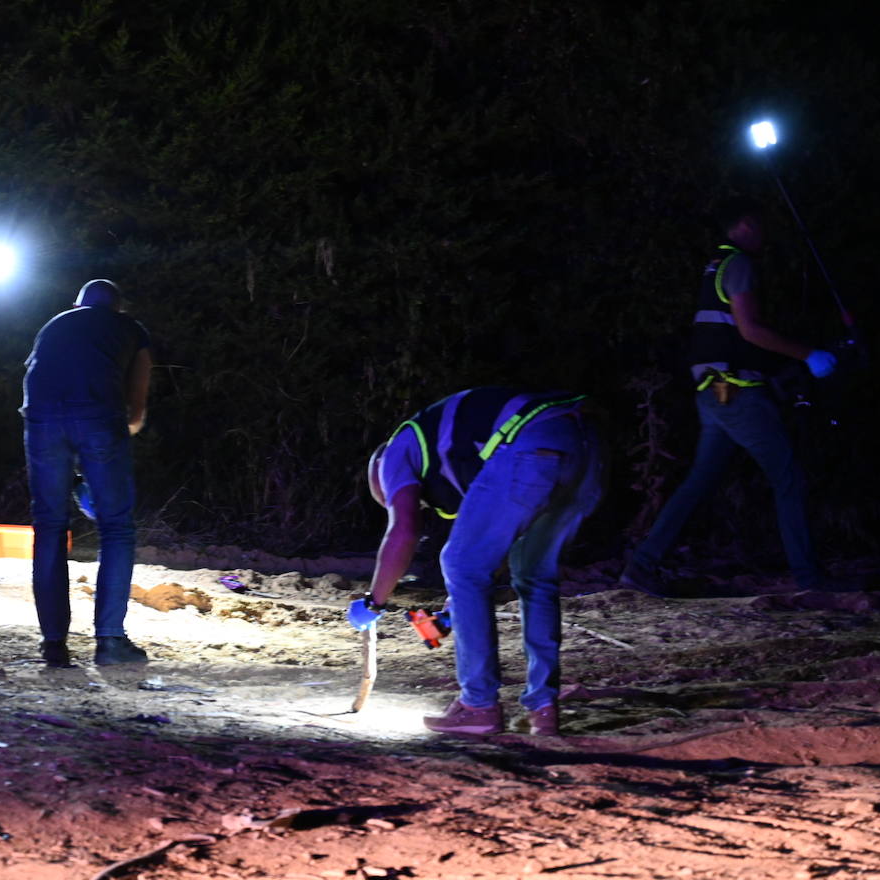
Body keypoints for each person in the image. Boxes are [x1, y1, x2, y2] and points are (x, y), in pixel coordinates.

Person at [620, 198, 844, 595]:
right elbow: (751, 330)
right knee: (788, 477)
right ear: (742, 225)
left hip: (715, 391)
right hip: (735, 391)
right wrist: (809, 355)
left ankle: (641, 567)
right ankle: (810, 582)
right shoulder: (738, 264)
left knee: (700, 480)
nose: (764, 234)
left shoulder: (716, 265)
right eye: (758, 225)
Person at [349, 388, 604, 737]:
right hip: (583, 450)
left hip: (529, 443)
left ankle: (478, 706)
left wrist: (374, 602)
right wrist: (455, 612)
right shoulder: (467, 452)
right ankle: (542, 709)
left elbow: (404, 532)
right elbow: (496, 545)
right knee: (534, 578)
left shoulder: (394, 454)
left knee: (458, 562)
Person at [21, 279, 152, 668]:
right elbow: (136, 412)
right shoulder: (130, 328)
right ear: (118, 307)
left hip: (41, 418)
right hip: (97, 417)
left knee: (48, 526)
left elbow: (39, 382)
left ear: (76, 304)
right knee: (116, 528)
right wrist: (102, 469)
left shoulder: (54, 323)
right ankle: (110, 641)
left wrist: (77, 476)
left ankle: (54, 644)